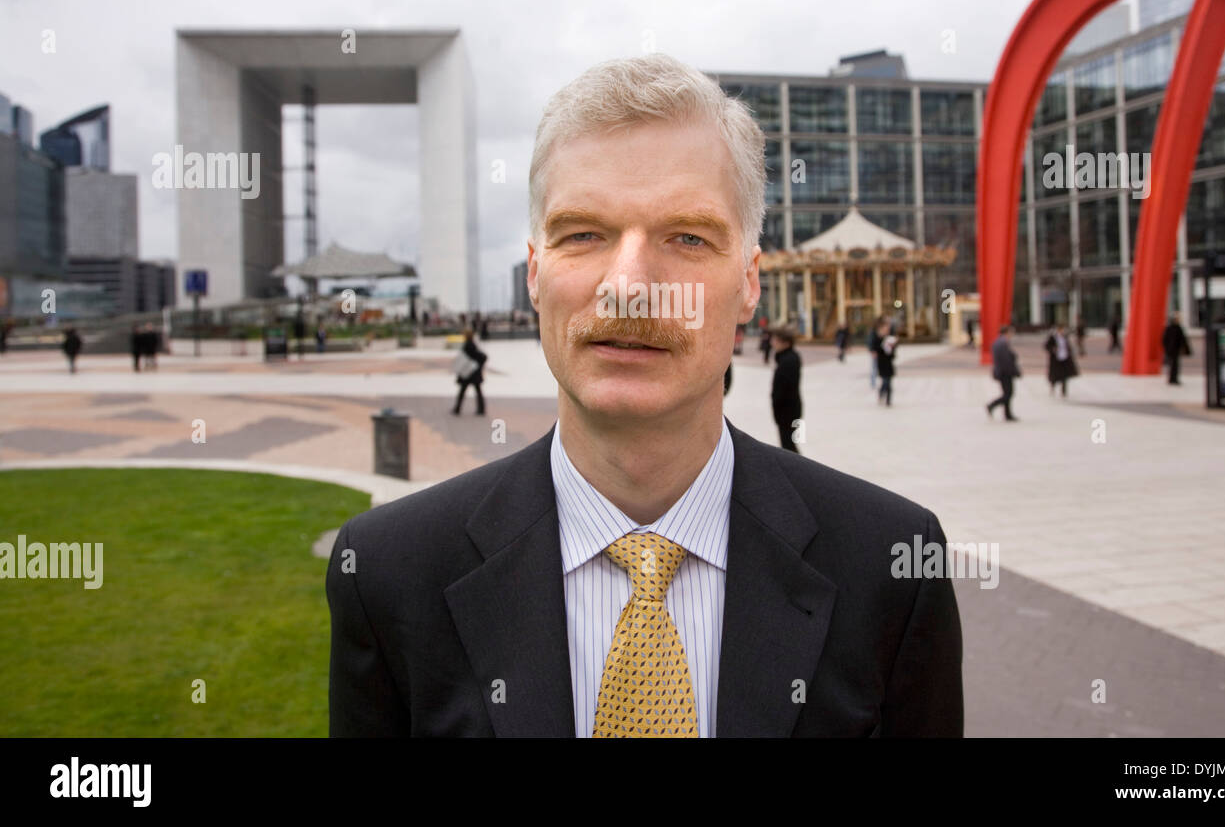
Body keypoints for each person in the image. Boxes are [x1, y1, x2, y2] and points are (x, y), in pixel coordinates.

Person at [327, 53, 962, 738]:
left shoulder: (891, 565)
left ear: (749, 283)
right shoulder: (392, 575)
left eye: (688, 237)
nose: (630, 285)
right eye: (584, 235)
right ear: (536, 276)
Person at [770, 327, 802, 452]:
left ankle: (800, 470)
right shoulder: (787, 358)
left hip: (788, 412)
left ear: (785, 342)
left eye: (775, 340)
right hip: (790, 411)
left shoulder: (788, 361)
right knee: (790, 445)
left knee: (790, 447)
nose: (772, 343)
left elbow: (782, 390)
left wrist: (777, 409)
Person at [986, 324, 1020, 421]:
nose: (1012, 335)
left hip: (1003, 372)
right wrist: (1014, 371)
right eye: (1011, 332)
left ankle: (1007, 414)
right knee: (1008, 394)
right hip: (1005, 373)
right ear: (1007, 332)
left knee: (1008, 393)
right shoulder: (1002, 343)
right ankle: (991, 405)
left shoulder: (1000, 342)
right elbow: (1006, 360)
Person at [451, 328, 488, 416]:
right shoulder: (471, 344)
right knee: (476, 391)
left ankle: (457, 408)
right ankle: (480, 409)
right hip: (472, 372)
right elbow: (481, 357)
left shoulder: (468, 345)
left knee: (464, 391)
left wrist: (477, 364)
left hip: (469, 372)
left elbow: (481, 356)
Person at [1043, 322, 1079, 397]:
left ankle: (1064, 391)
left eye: (1062, 329)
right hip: (1056, 360)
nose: (1062, 330)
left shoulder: (1065, 336)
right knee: (1055, 375)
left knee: (1065, 376)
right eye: (1060, 329)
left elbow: (1068, 346)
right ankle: (1052, 387)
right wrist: (1053, 349)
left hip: (1064, 359)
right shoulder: (1052, 337)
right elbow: (1046, 346)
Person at [1162, 312, 1191, 385]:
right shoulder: (1169, 328)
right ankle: (1172, 379)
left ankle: (1174, 379)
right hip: (1171, 350)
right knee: (1172, 365)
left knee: (1175, 365)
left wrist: (1185, 349)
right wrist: (1167, 348)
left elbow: (1182, 340)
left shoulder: (1178, 328)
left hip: (1176, 349)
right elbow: (1164, 339)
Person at [876, 321, 897, 406]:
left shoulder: (891, 339)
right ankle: (881, 393)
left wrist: (893, 346)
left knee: (889, 383)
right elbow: (876, 350)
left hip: (889, 364)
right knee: (885, 381)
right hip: (882, 364)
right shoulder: (878, 339)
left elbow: (893, 354)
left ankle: (888, 400)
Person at [867, 316, 883, 389]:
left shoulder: (881, 331)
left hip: (880, 352)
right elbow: (871, 342)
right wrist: (872, 350)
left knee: (878, 367)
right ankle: (873, 382)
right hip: (876, 352)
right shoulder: (873, 331)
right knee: (874, 368)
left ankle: (882, 381)